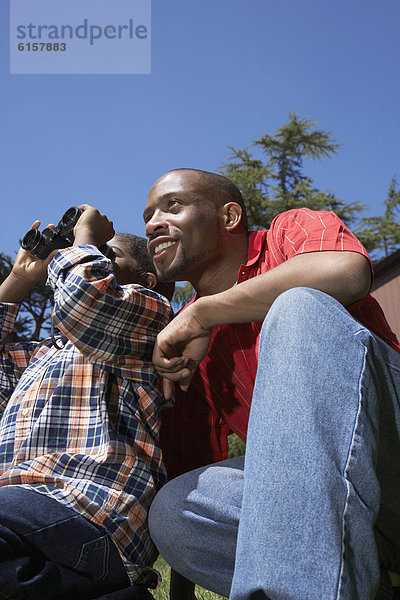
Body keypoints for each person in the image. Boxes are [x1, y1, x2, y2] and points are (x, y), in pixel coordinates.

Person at [143, 168, 400, 600]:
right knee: (175, 510)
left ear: (228, 217)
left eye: (173, 206)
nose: (152, 224)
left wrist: (205, 312)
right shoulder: (188, 345)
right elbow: (191, 470)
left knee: (299, 306)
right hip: (350, 513)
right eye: (148, 215)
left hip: (388, 447)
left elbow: (346, 270)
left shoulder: (288, 231)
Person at [0, 205, 174, 600]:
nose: (91, 257)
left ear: (147, 280)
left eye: (107, 255)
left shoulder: (152, 318)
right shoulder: (44, 354)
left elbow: (86, 302)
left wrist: (85, 237)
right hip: (19, 514)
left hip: (91, 509)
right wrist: (18, 279)